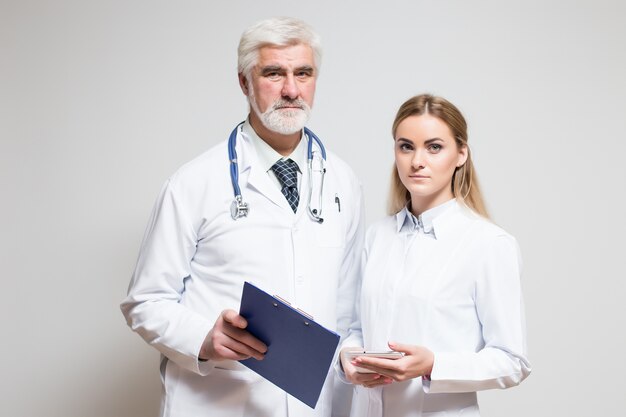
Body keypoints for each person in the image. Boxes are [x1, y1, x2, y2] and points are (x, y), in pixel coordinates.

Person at [121, 17, 364, 417]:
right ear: (244, 82)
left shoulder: (343, 182)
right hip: (220, 401)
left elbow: (347, 309)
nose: (291, 89)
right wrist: (204, 338)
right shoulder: (193, 183)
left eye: (303, 73)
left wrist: (353, 357)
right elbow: (145, 301)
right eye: (273, 73)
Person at [338, 94, 531, 416]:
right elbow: (359, 329)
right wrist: (348, 360)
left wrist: (434, 365)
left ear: (461, 154)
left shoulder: (488, 244)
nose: (417, 161)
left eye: (434, 147)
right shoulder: (378, 236)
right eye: (406, 146)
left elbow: (513, 361)